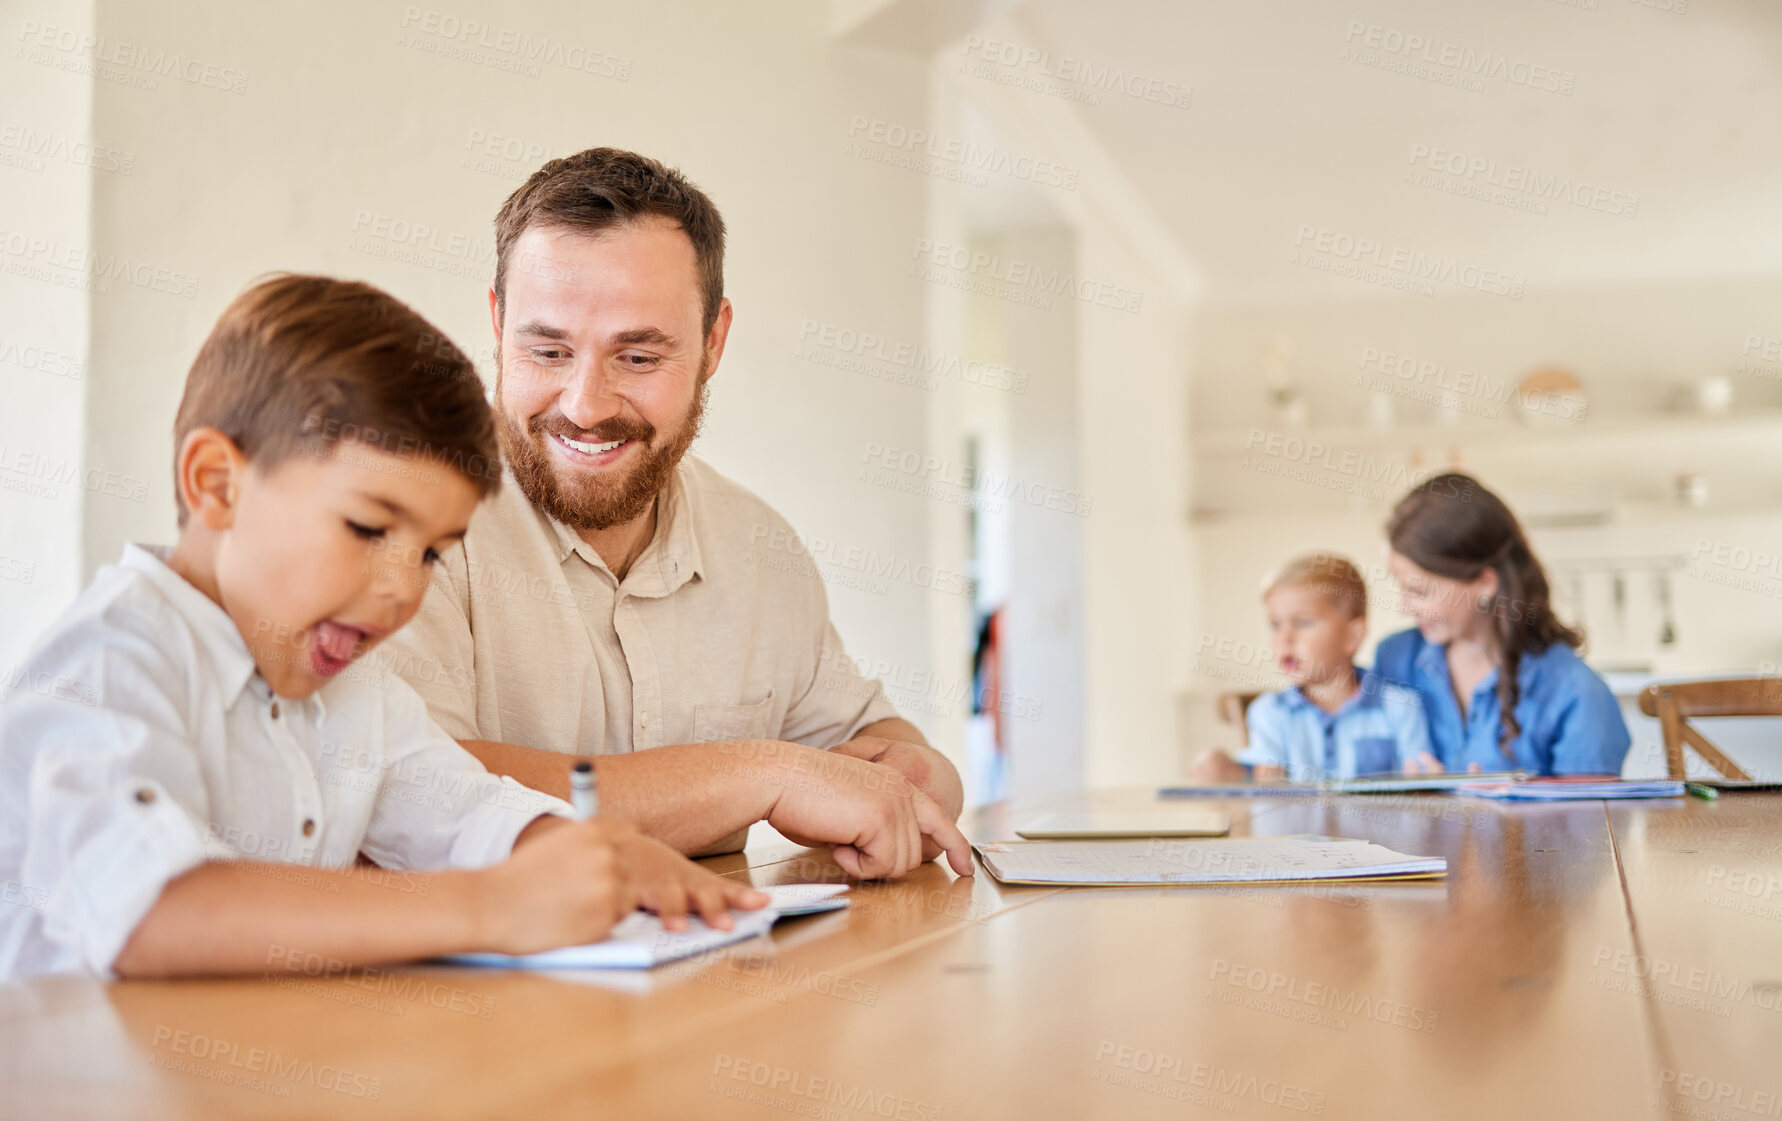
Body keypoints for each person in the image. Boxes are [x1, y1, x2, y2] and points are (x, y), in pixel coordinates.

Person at [0, 275, 765, 980]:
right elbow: (156, 912)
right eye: (368, 527)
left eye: (431, 552)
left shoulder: (355, 693)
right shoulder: (108, 665)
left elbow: (465, 809)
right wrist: (491, 906)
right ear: (218, 483)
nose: (404, 587)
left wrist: (586, 851)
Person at [378, 148, 971, 880]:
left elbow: (873, 740)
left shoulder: (758, 547)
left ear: (714, 341)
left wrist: (914, 775)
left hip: (723, 988)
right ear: (498, 324)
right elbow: (416, 790)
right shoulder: (404, 522)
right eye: (549, 349)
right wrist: (762, 775)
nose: (585, 405)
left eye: (637, 358)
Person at [1376, 473, 1630, 776]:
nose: (1404, 608)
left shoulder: (1575, 691)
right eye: (1401, 588)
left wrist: (1495, 813)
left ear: (1485, 583)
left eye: (1419, 591)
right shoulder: (1395, 659)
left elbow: (1591, 820)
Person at [1189, 554, 1429, 783]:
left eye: (1302, 623)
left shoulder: (1401, 707)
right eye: (1275, 625)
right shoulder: (1269, 713)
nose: (1284, 638)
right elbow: (1265, 789)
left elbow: (1420, 784)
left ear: (1352, 636)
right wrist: (1228, 771)